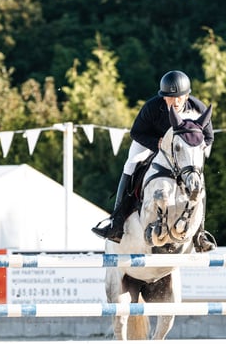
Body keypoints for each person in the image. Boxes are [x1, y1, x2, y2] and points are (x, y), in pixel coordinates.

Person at [91, 70, 217, 252]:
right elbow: (136, 133)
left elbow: (208, 137)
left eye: (179, 97)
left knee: (199, 180)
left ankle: (200, 234)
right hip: (151, 142)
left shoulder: (198, 109)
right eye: (170, 97)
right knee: (131, 163)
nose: (175, 101)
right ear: (163, 97)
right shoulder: (152, 107)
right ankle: (116, 222)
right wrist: (156, 142)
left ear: (187, 95)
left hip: (183, 151)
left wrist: (194, 152)